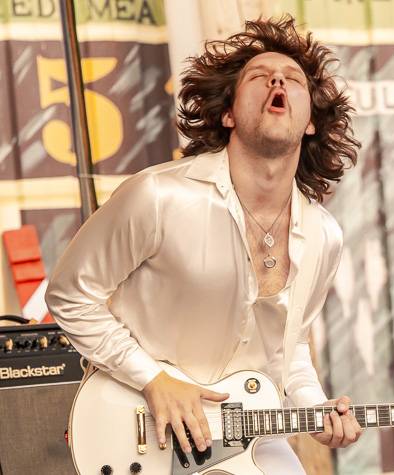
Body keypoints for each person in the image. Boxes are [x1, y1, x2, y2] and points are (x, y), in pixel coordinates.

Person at [45, 15, 362, 472]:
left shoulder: (324, 235)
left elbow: (287, 346)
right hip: (145, 429)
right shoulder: (158, 196)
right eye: (260, 76)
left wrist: (316, 408)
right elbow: (69, 294)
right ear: (229, 113)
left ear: (311, 121)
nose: (278, 79)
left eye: (293, 79)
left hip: (245, 439)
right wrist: (152, 378)